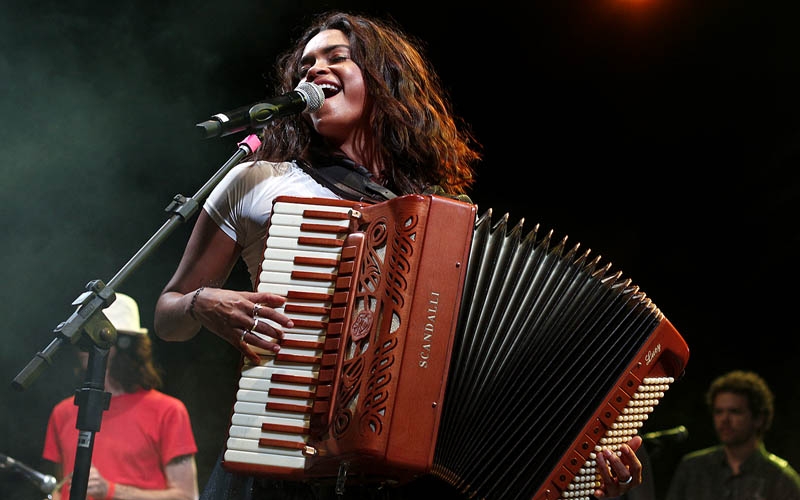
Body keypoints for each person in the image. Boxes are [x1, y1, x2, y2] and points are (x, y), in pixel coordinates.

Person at [153, 10, 644, 500]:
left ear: (384, 80)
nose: (314, 70)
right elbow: (167, 313)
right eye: (305, 65)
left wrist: (582, 468)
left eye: (336, 57)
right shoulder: (260, 180)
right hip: (282, 457)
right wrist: (201, 303)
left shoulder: (445, 219)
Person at [42, 293, 199, 500]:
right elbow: (61, 488)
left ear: (126, 344)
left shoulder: (168, 411)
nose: (83, 348)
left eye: (93, 339)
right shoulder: (63, 412)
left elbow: (186, 496)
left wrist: (111, 491)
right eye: (82, 339)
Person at [665, 369, 800, 500]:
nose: (724, 420)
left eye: (735, 411)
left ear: (759, 418)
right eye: (719, 412)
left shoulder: (781, 479)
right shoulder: (692, 469)